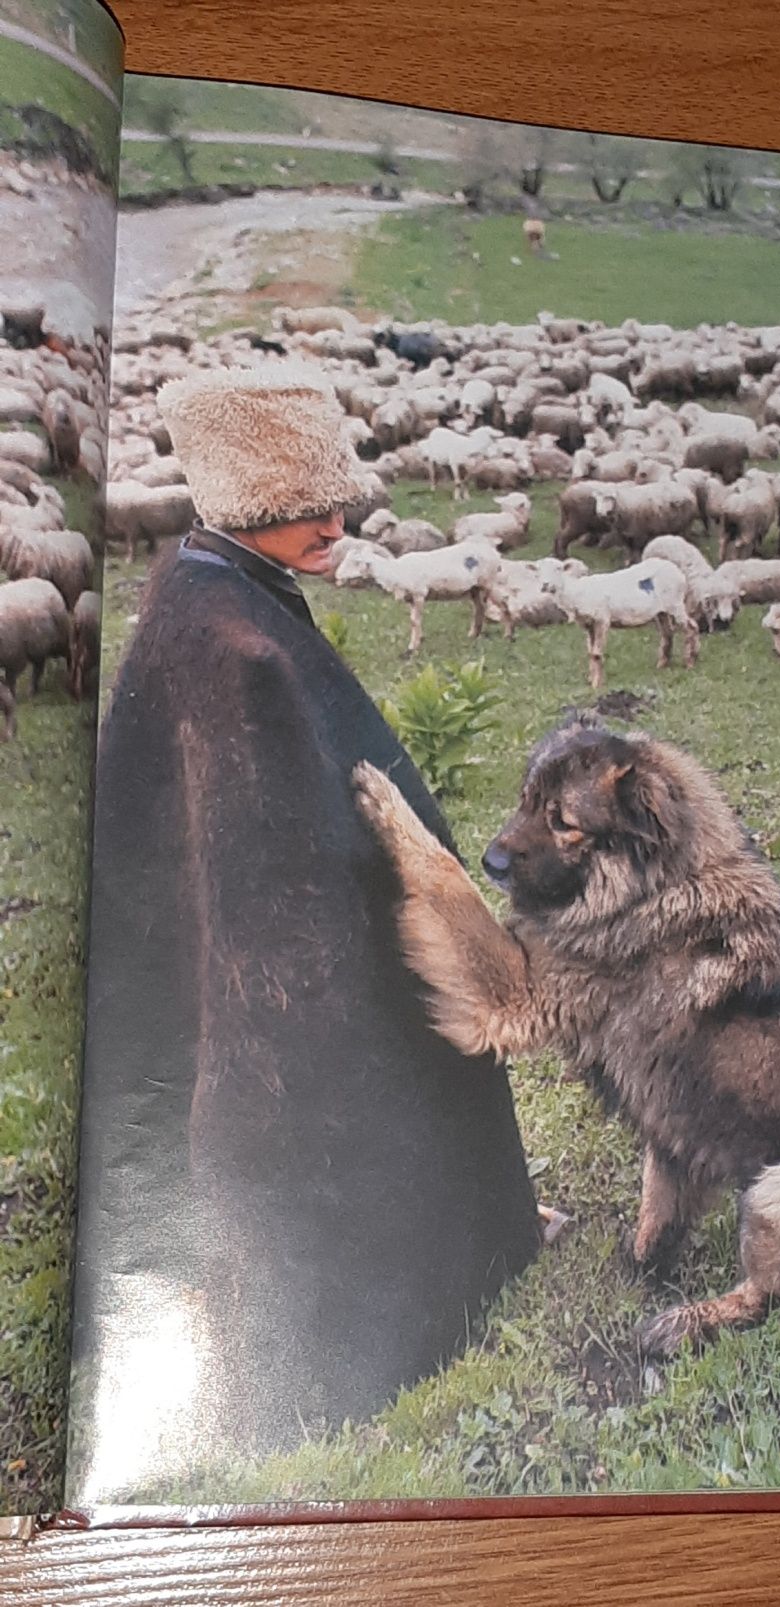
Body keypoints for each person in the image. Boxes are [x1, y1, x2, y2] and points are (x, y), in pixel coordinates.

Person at [72, 364, 542, 1466]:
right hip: (294, 1004)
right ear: (239, 503)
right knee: (351, 1144)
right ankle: (360, 1316)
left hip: (264, 970)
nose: (335, 524)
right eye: (299, 507)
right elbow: (265, 909)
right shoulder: (240, 652)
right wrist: (322, 1018)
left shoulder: (204, 592)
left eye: (335, 498)